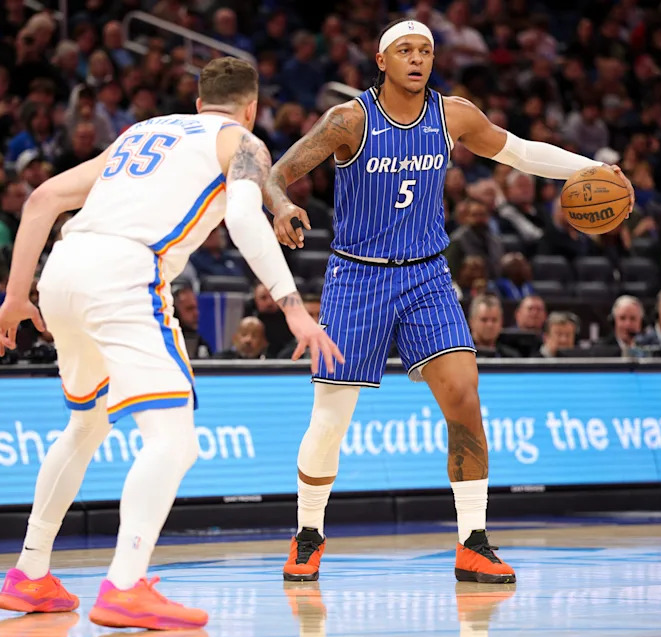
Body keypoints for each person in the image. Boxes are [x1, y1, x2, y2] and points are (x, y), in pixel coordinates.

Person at [263, 18, 632, 585]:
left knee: (464, 398)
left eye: (425, 51)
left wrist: (587, 169)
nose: (417, 59)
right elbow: (278, 173)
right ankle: (308, 533)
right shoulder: (349, 120)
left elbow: (520, 152)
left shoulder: (452, 114)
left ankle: (473, 542)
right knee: (330, 422)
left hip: (427, 277)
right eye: (404, 50)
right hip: (357, 278)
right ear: (381, 61)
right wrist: (282, 205)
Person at [0, 57, 341, 630]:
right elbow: (245, 221)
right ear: (251, 109)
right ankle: (126, 585)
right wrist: (294, 308)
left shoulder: (141, 131)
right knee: (173, 441)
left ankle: (30, 572)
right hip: (126, 273)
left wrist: (13, 296)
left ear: (198, 104)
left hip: (62, 270)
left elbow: (41, 201)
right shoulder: (242, 142)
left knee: (85, 426)